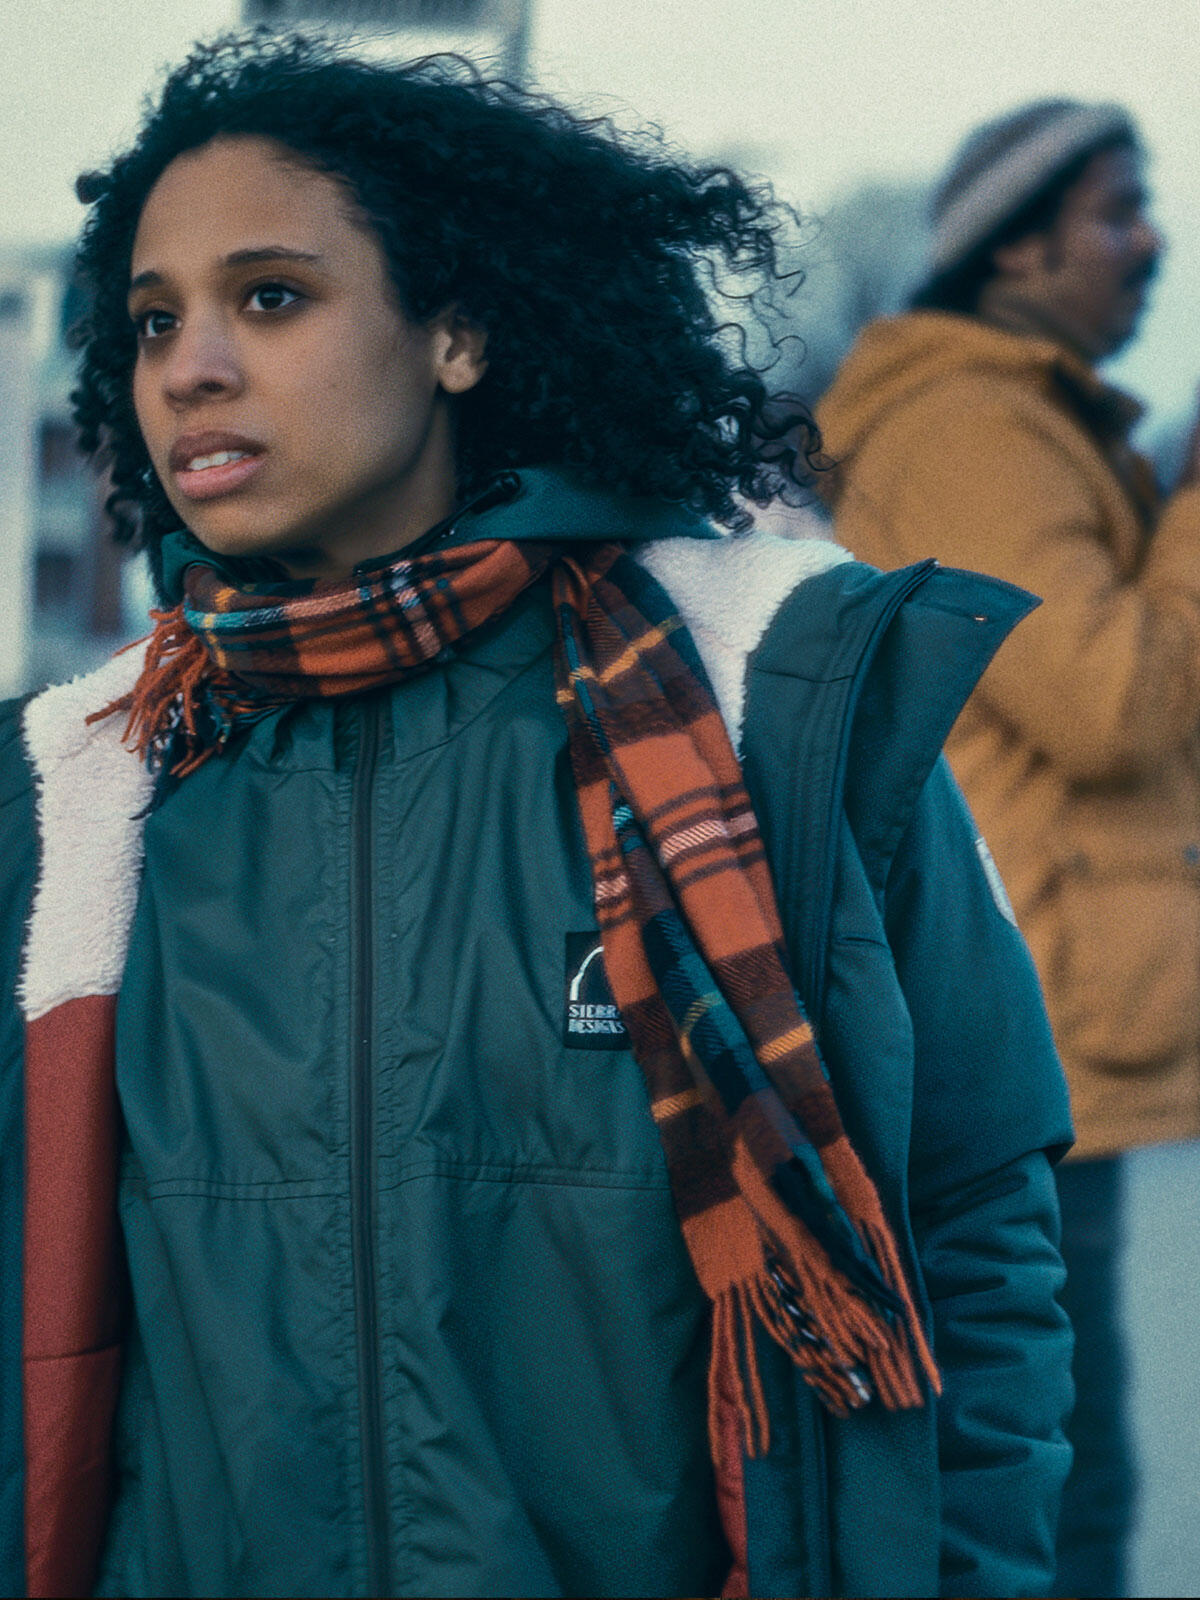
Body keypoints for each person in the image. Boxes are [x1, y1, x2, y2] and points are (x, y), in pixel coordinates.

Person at [1, 35, 1074, 1599]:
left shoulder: (779, 703)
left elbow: (975, 1226)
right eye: (154, 320)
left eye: (271, 297)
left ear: (459, 333)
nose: (191, 366)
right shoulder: (75, 792)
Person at [817, 98, 1200, 1599]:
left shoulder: (1023, 422)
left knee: (1069, 1470)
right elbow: (1110, 701)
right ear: (1015, 246)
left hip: (1060, 1015)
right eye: (1118, 208)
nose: (1151, 241)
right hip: (1037, 1029)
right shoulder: (970, 425)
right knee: (1060, 1486)